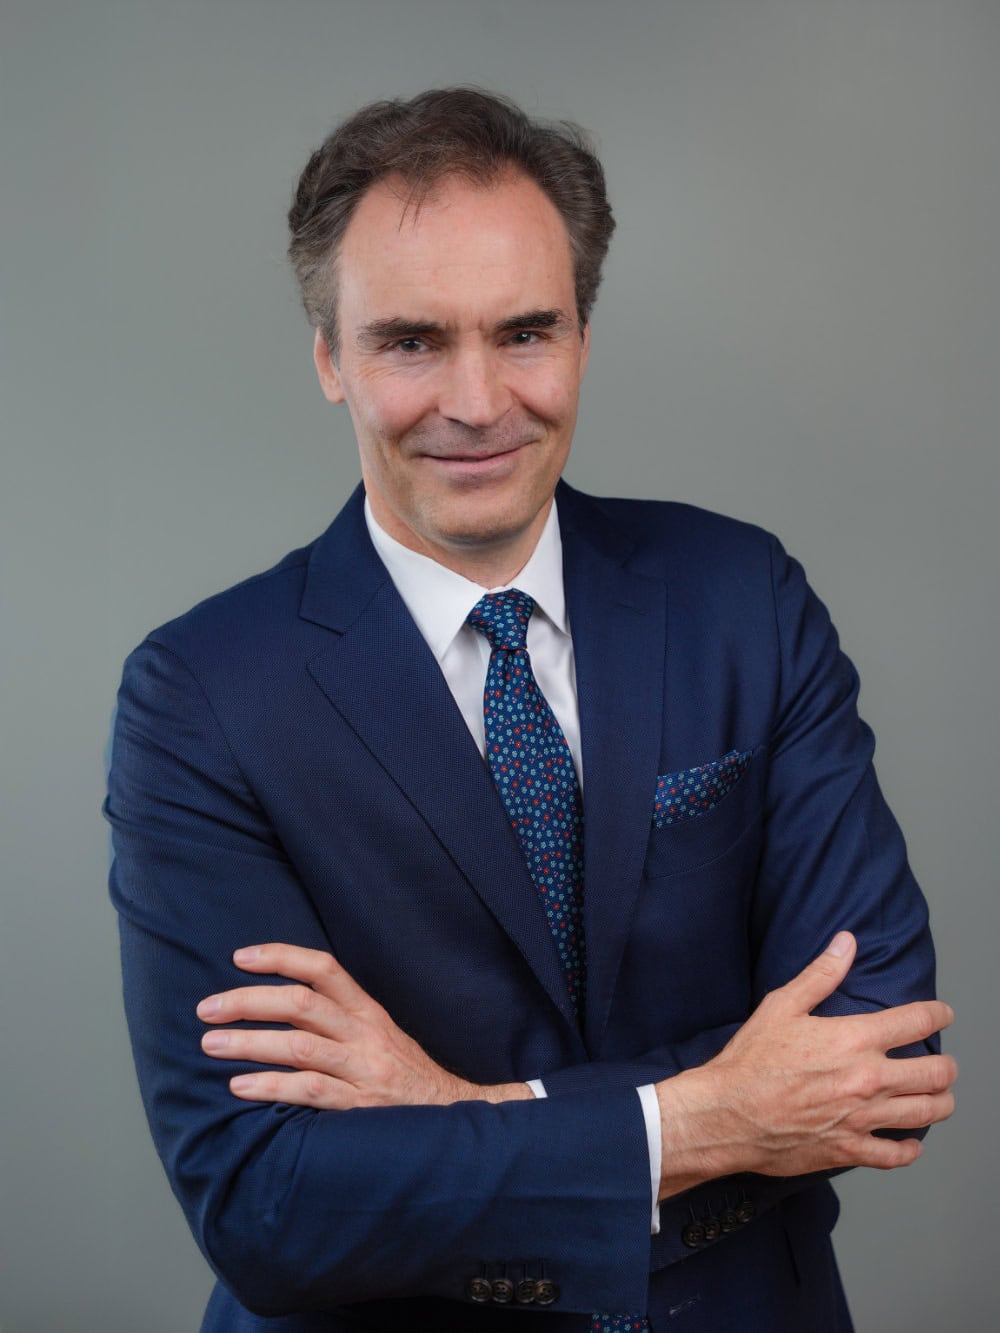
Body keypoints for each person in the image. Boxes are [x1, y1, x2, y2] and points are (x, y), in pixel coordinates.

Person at [105, 88, 955, 1332]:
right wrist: (715, 1115)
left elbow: (876, 1056)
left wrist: (458, 1111)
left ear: (584, 336)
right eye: (411, 342)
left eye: (524, 332)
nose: (477, 399)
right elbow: (267, 1202)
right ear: (330, 358)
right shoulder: (201, 697)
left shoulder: (742, 599)